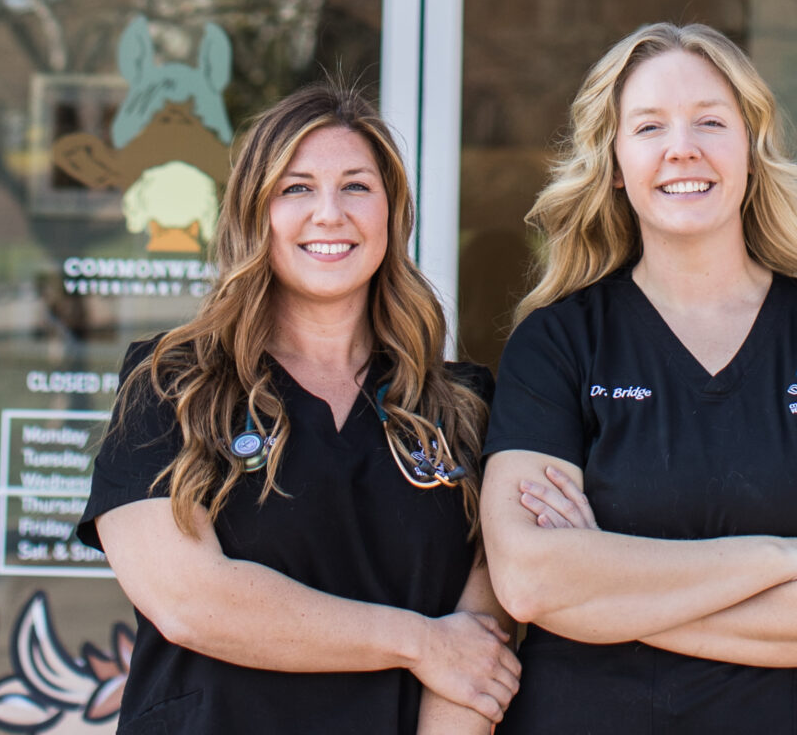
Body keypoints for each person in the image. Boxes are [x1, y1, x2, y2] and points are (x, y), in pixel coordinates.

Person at [481, 21, 797, 733]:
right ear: (613, 162)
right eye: (648, 127)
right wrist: (783, 557)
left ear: (752, 150)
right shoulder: (559, 344)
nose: (681, 148)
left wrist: (610, 600)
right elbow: (530, 580)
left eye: (709, 121)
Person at [81, 80, 520, 733]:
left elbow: (482, 641)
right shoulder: (175, 388)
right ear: (255, 213)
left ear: (392, 214)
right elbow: (190, 601)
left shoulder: (461, 407)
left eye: (356, 186)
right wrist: (419, 642)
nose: (329, 213)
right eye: (296, 188)